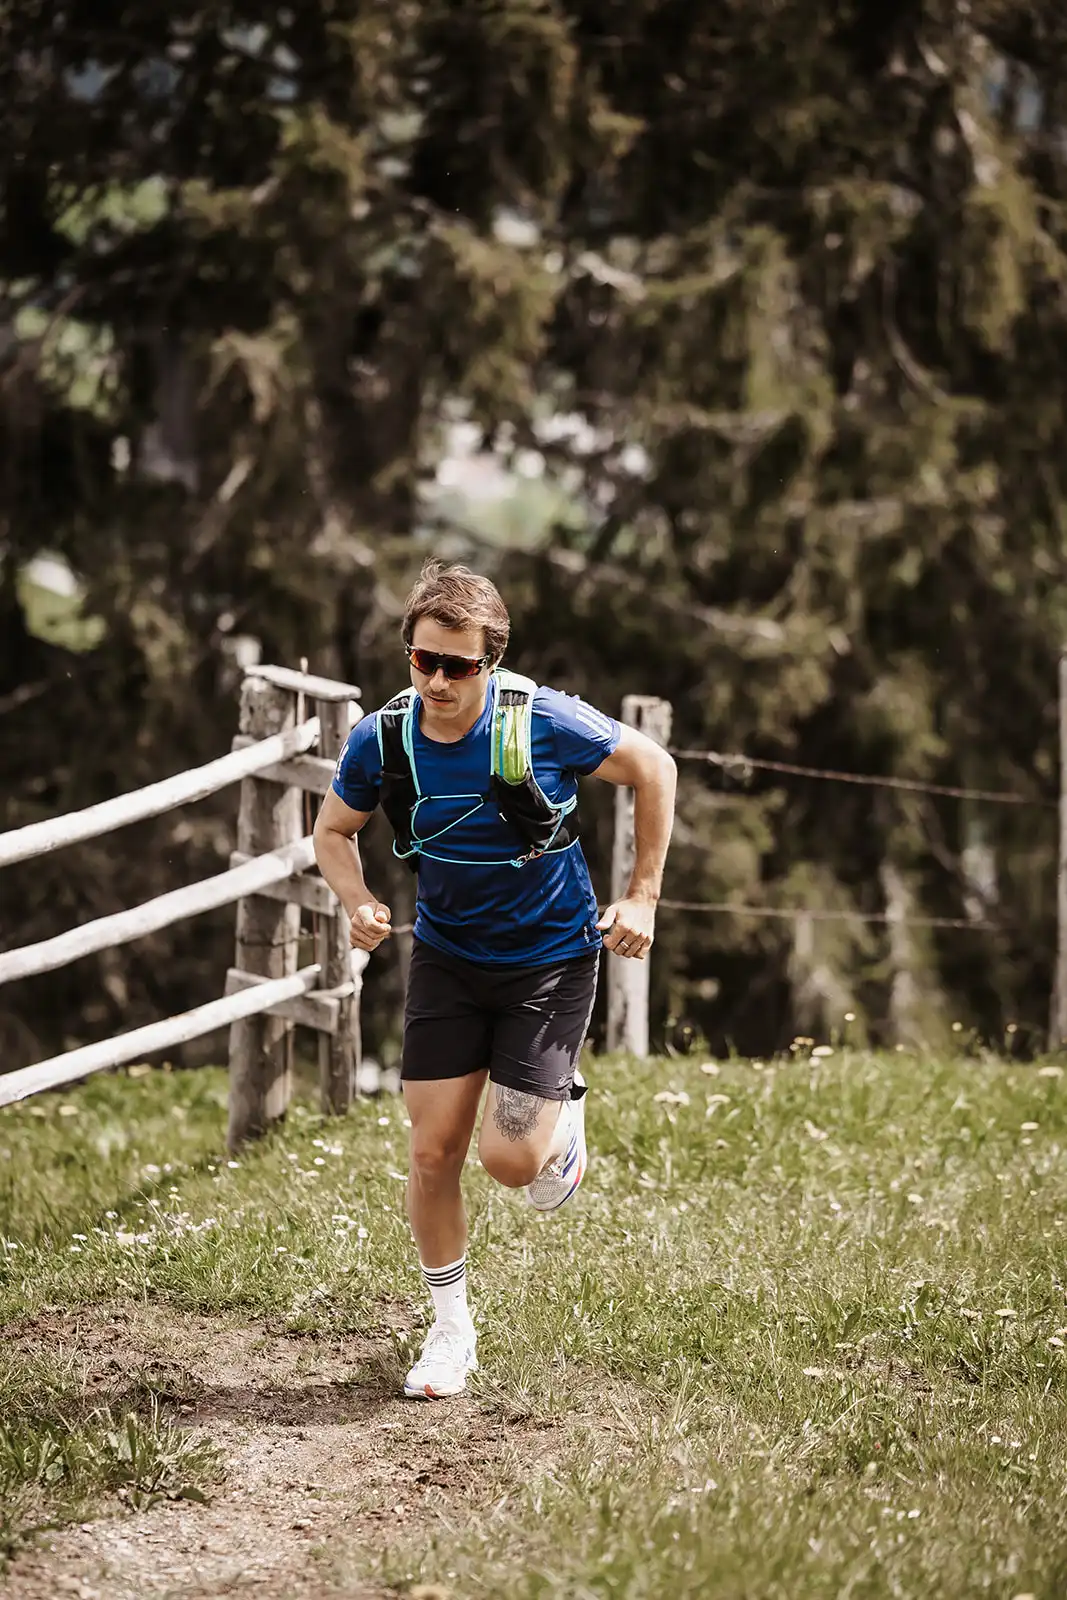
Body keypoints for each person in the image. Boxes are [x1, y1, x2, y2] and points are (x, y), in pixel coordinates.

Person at [313, 561, 676, 1400]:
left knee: (512, 1163)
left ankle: (560, 1126)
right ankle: (450, 1333)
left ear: (492, 660)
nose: (437, 681)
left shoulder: (542, 721)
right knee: (432, 1150)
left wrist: (643, 896)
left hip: (549, 961)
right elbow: (335, 831)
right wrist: (359, 901)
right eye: (422, 661)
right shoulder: (383, 737)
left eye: (458, 666)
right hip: (445, 959)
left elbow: (653, 768)